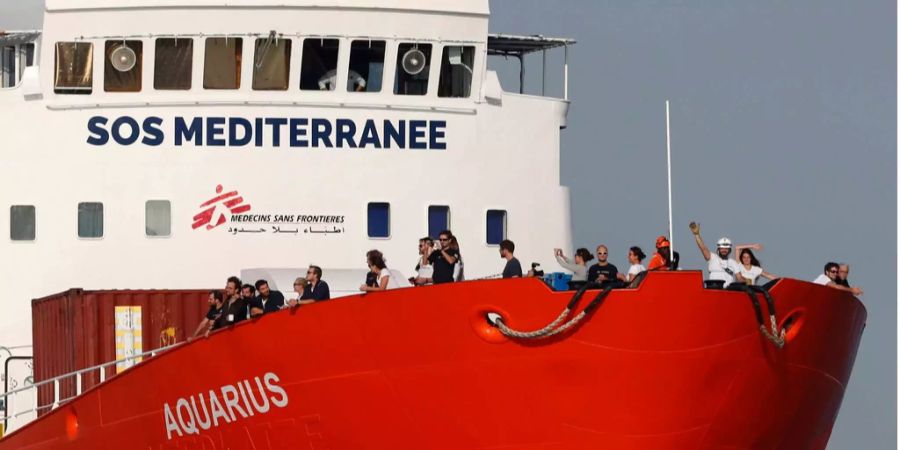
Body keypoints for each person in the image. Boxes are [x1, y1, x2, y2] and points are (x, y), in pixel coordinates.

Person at [689, 222, 741, 287]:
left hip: (728, 293)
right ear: (718, 249)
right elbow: (703, 248)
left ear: (729, 250)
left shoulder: (733, 262)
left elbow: (739, 278)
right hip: (713, 290)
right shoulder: (712, 257)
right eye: (722, 248)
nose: (724, 250)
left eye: (726, 249)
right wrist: (697, 235)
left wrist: (747, 281)